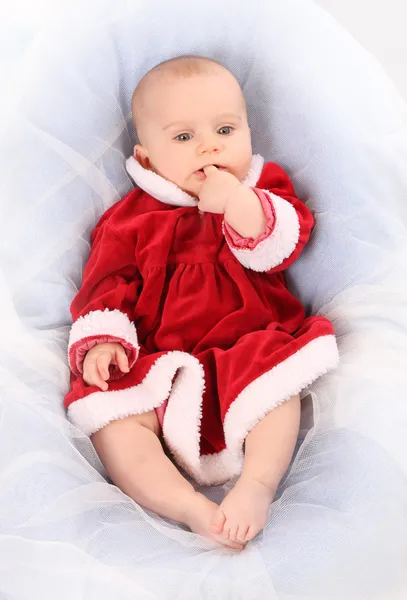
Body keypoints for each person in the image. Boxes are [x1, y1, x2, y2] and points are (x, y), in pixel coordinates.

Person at [64, 55, 339, 551]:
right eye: (184, 137)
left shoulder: (261, 191)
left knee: (280, 394)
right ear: (147, 159)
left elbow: (284, 242)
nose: (210, 145)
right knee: (111, 419)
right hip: (159, 360)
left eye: (226, 129)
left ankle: (257, 484)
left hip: (249, 343)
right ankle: (186, 506)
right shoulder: (130, 220)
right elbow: (106, 284)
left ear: (249, 134)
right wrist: (104, 341)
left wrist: (238, 202)